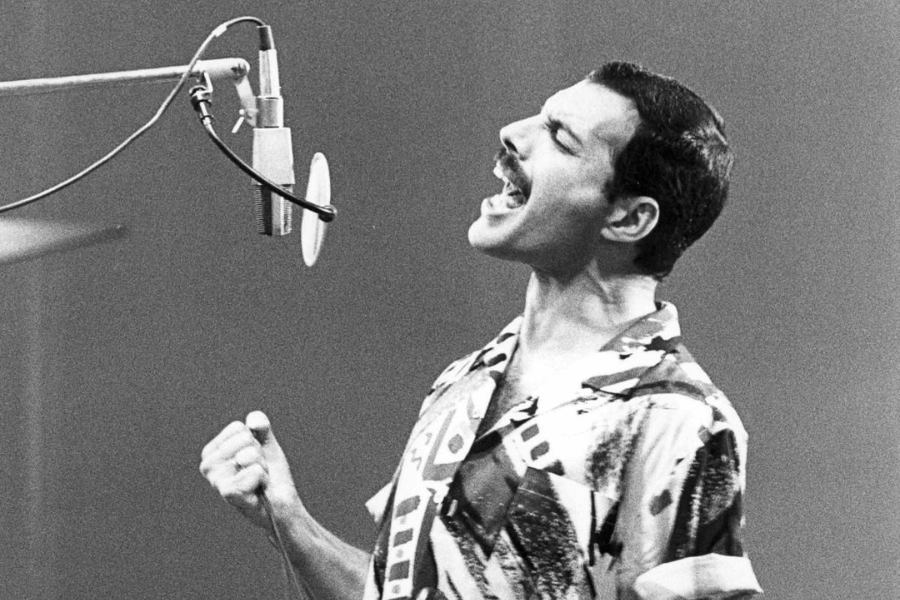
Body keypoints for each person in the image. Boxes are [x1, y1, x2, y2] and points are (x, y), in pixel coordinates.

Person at [199, 62, 762, 600]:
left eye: (561, 139)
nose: (513, 134)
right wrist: (290, 520)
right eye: (539, 118)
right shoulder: (463, 382)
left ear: (628, 218)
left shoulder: (678, 419)